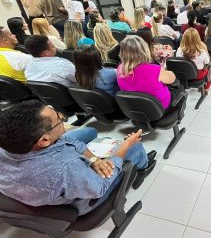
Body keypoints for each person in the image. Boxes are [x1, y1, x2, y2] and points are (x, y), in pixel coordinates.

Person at [0, 100, 157, 215]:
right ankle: (143, 168)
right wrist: (124, 147)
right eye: (59, 120)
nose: (62, 116)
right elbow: (99, 187)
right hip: (83, 200)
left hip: (38, 180)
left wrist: (94, 160)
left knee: (89, 132)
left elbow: (65, 140)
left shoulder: (9, 143)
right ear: (45, 140)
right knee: (134, 147)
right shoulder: (66, 167)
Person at [117, 35, 178, 109]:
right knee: (179, 87)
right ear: (144, 50)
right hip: (159, 107)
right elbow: (172, 79)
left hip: (135, 107)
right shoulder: (155, 69)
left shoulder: (120, 69)